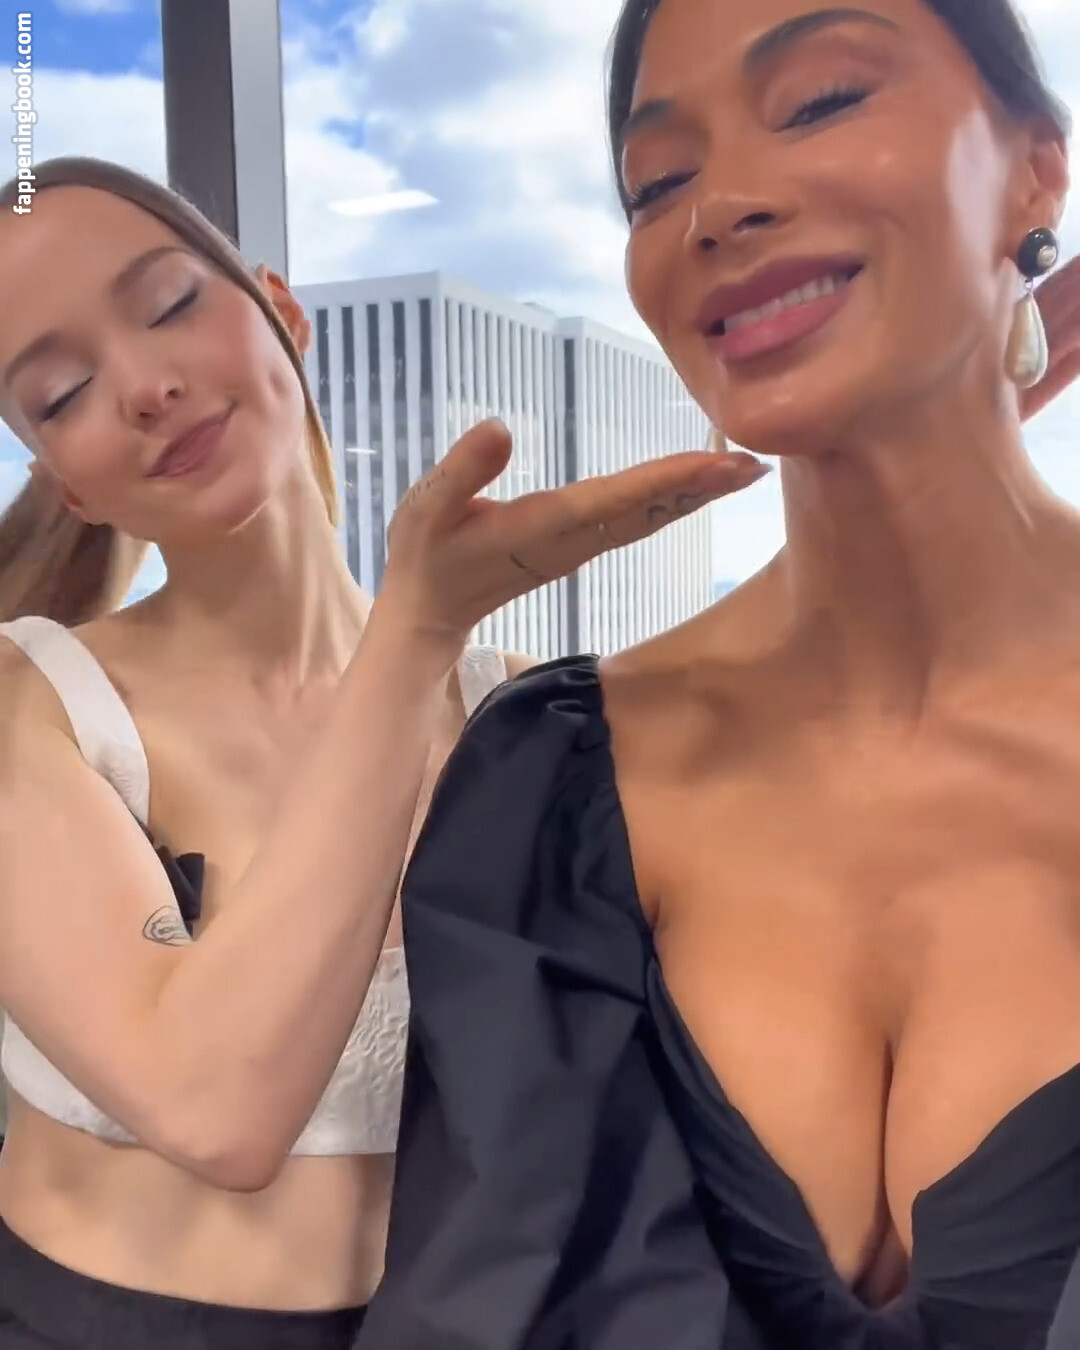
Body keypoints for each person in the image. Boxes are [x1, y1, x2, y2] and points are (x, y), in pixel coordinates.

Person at [357, 3, 1080, 1348]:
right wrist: (411, 635)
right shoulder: (551, 787)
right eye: (657, 182)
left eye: (821, 101)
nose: (719, 207)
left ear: (1036, 169)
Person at [0, 156, 757, 1350]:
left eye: (170, 305)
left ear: (282, 312)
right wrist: (414, 633)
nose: (146, 387)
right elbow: (215, 1109)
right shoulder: (31, 708)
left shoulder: (519, 720)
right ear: (66, 487)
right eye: (63, 393)